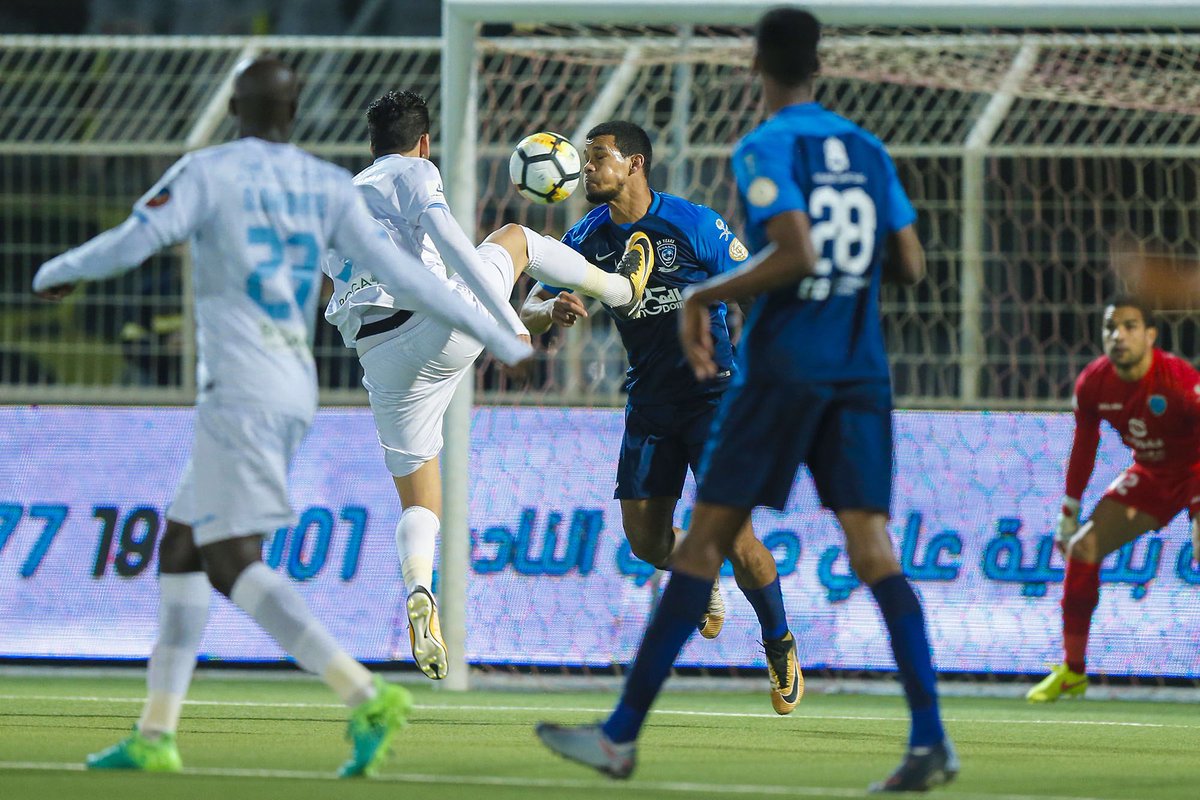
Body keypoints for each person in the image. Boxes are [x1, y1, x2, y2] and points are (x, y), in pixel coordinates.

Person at [32, 56, 532, 778]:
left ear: (234, 106)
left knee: (228, 558)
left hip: (240, 384)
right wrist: (499, 334)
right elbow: (415, 280)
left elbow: (134, 241)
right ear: (294, 117)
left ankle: (364, 695)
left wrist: (56, 272)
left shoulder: (209, 171)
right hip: (290, 382)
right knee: (183, 548)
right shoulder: (325, 188)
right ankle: (156, 731)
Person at [535, 8, 957, 793]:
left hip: (770, 373)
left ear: (757, 63)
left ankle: (625, 734)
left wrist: (706, 297)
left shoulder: (763, 148)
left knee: (708, 543)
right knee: (872, 552)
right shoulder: (867, 149)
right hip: (860, 371)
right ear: (821, 62)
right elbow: (908, 263)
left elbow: (790, 253)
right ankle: (930, 738)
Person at [324, 90, 654, 681]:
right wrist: (507, 332)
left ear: (370, 145)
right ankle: (622, 289)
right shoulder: (415, 171)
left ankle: (420, 590)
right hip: (435, 326)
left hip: (378, 357)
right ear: (423, 143)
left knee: (420, 500)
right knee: (515, 237)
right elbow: (454, 246)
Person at [519, 119, 801, 714]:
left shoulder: (694, 223)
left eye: (598, 158)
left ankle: (778, 641)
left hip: (715, 397)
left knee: (735, 536)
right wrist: (552, 311)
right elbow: (530, 307)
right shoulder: (587, 235)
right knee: (645, 543)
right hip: (648, 402)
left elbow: (756, 287)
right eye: (586, 160)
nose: (588, 169)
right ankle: (707, 579)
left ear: (636, 164)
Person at [1028, 298, 1200, 702]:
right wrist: (1068, 511)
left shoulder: (1179, 381)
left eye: (1129, 326)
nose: (1118, 336)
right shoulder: (1094, 383)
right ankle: (1073, 672)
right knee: (1083, 547)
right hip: (1152, 475)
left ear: (1151, 335)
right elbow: (1085, 444)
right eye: (1110, 328)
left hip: (1195, 470)